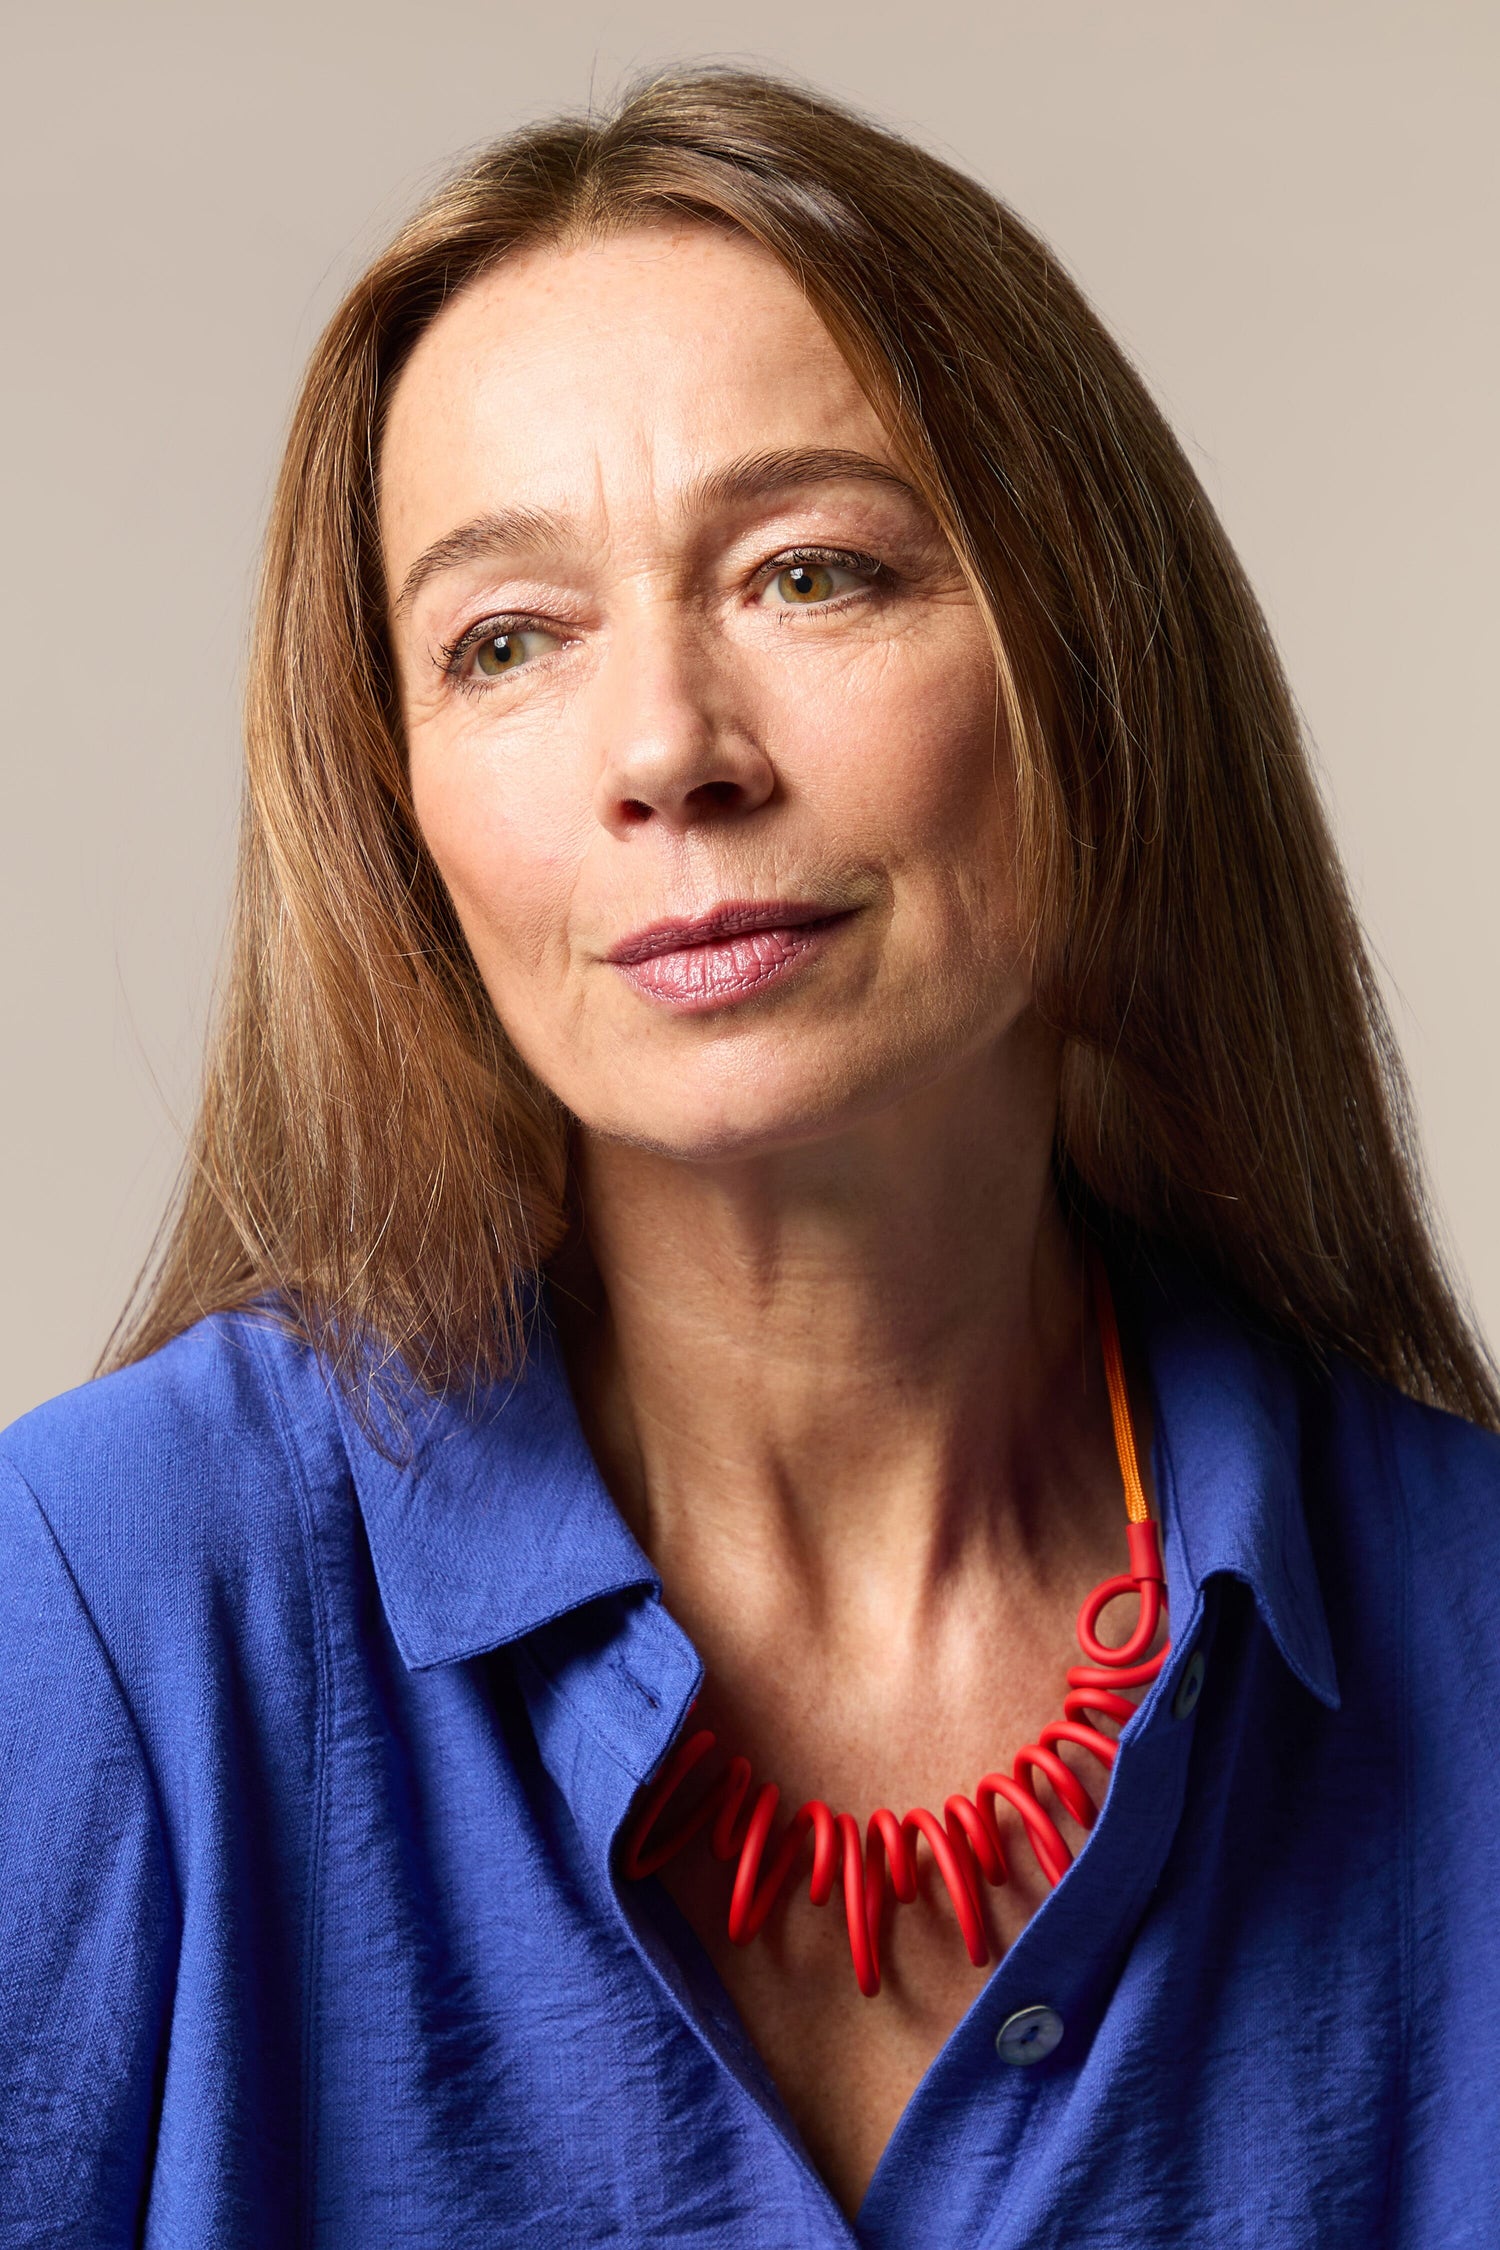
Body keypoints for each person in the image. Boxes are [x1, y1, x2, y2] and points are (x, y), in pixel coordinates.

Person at [2, 65, 1497, 2249]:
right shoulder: (98, 1606)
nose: (667, 755)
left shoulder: (1470, 1633)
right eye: (504, 641)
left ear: (1097, 665)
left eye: (814, 572)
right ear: (400, 810)